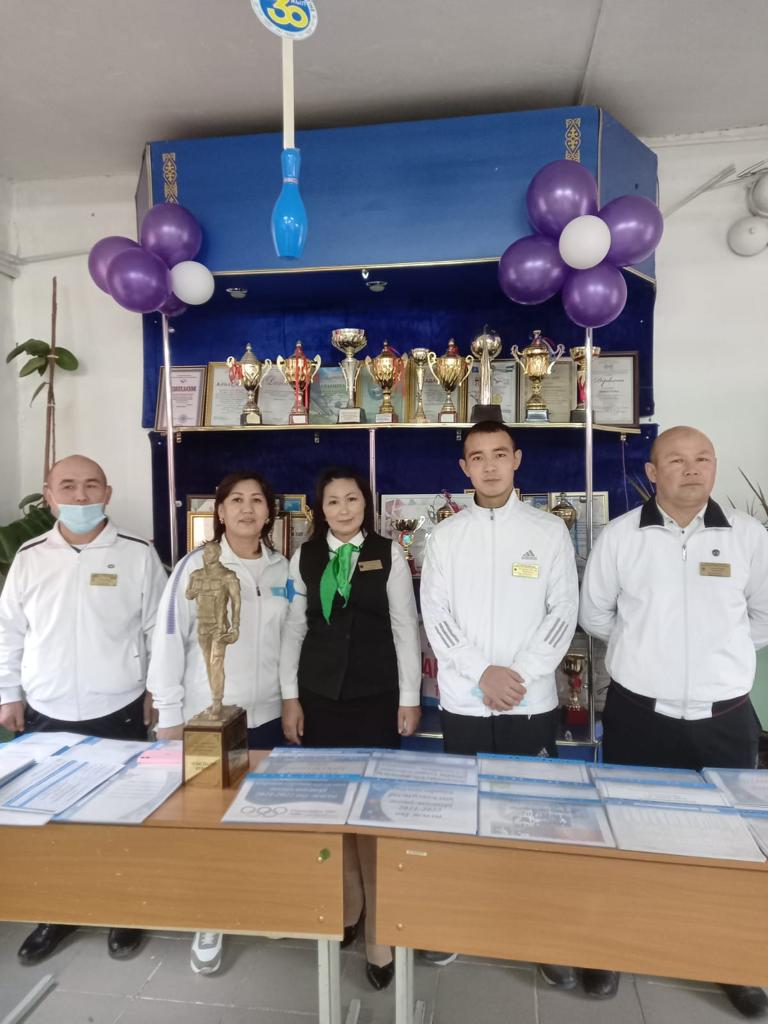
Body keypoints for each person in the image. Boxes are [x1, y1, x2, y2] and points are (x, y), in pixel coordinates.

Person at [579, 425, 768, 1016]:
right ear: (652, 472)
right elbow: (596, 614)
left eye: (703, 459)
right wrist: (649, 655)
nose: (692, 469)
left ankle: (727, 959)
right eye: (677, 460)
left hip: (725, 720)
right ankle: (613, 947)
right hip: (640, 716)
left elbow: (764, 616)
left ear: (714, 467)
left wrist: (715, 660)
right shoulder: (621, 537)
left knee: (728, 847)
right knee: (627, 832)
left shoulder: (748, 537)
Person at [419, 420, 580, 988]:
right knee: (465, 816)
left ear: (517, 459)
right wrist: (481, 673)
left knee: (533, 820)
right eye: (477, 457)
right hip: (465, 703)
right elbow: (436, 616)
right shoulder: (445, 537)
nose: (489, 466)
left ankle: (539, 931)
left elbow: (563, 612)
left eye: (499, 454)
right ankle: (458, 923)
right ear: (464, 467)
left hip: (528, 703)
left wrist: (519, 676)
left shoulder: (548, 531)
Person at [0, 454, 167, 964]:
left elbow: (159, 632)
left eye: (91, 486)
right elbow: (9, 632)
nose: (80, 496)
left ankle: (124, 909)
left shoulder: (137, 553)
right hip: (45, 708)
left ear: (107, 494)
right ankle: (58, 911)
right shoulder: (30, 556)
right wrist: (8, 694)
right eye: (68, 486)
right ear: (49, 495)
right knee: (50, 818)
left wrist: (156, 693)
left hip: (118, 706)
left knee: (121, 814)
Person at [280, 467, 421, 991]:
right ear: (321, 510)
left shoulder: (389, 554)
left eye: (352, 499)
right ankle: (350, 904)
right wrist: (290, 696)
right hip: (319, 699)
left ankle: (380, 928)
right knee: (334, 812)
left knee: (373, 816)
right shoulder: (305, 556)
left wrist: (409, 698)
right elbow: (295, 629)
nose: (343, 509)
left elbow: (406, 628)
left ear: (366, 503)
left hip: (375, 699)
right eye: (333, 501)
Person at [148, 471, 289, 975]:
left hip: (268, 717)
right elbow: (168, 639)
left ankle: (261, 899)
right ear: (221, 511)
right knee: (210, 822)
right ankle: (210, 916)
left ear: (270, 512)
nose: (248, 509)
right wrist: (168, 716)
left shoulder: (282, 568)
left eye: (257, 500)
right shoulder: (195, 566)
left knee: (264, 818)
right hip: (208, 719)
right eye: (237, 500)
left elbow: (291, 639)